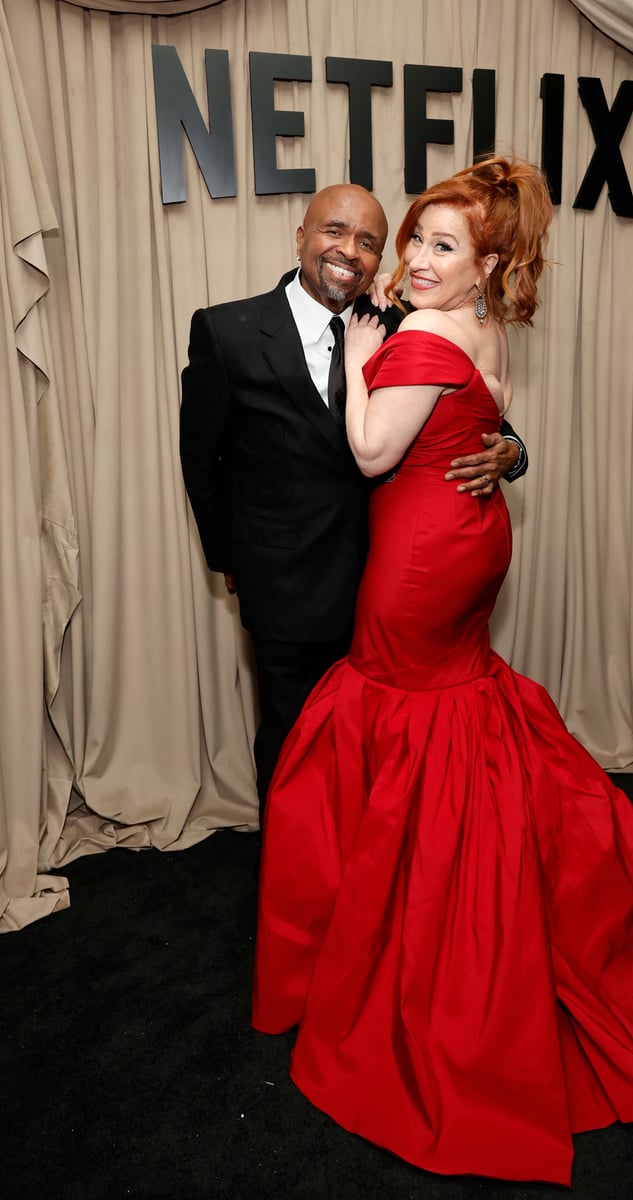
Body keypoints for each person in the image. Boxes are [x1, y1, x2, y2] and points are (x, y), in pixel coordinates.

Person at [250, 157, 633, 1185]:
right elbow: (487, 419)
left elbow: (371, 454)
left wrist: (366, 352)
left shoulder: (413, 329)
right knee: (453, 709)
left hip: (415, 563)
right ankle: (433, 875)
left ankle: (410, 921)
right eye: (413, 238)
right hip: (470, 542)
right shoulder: (492, 327)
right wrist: (505, 452)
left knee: (402, 719)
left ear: (487, 261)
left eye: (439, 247)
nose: (411, 258)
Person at [179, 184, 528, 807]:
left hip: (395, 582)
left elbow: (465, 413)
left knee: (383, 747)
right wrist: (228, 556)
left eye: (369, 242)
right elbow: (202, 459)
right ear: (301, 236)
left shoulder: (410, 320)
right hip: (287, 582)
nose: (350, 251)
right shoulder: (226, 331)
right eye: (334, 232)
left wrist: (513, 450)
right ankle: (291, 889)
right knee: (295, 745)